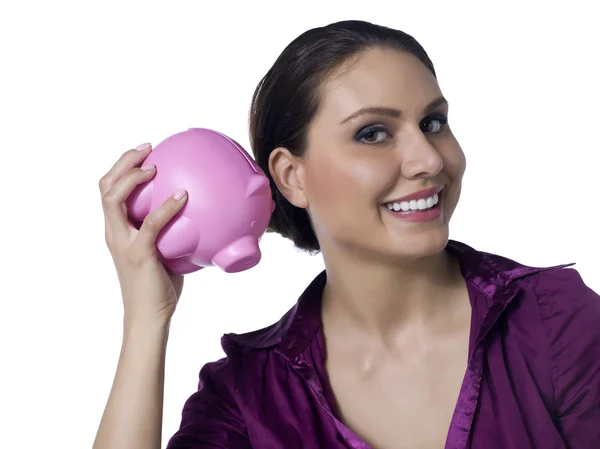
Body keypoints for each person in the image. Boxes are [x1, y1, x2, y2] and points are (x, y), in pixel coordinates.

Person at [92, 20, 600, 449]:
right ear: (292, 177)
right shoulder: (249, 398)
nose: (428, 159)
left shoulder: (550, 320)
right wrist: (146, 321)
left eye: (434, 122)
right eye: (373, 133)